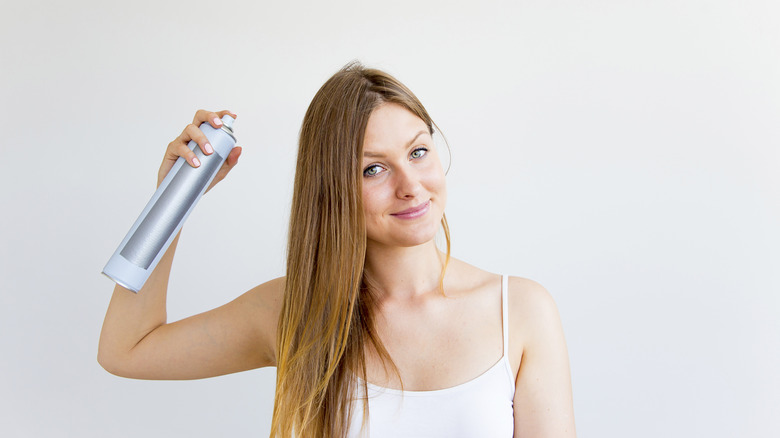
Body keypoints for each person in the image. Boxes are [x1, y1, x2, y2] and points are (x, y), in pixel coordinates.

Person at [98, 62, 576, 438]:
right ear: (332, 190)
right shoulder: (296, 310)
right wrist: (172, 200)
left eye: (418, 152)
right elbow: (128, 350)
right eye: (374, 169)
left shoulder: (519, 311)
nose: (412, 186)